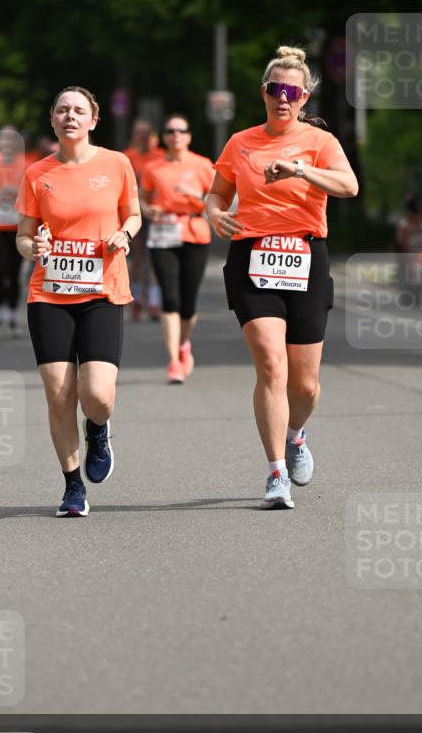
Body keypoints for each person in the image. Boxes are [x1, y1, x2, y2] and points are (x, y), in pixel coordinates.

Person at [206, 45, 358, 509]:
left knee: (305, 385)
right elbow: (216, 195)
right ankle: (275, 475)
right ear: (264, 93)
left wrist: (298, 169)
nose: (283, 97)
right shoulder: (241, 143)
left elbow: (349, 186)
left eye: (292, 90)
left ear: (305, 97)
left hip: (306, 256)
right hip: (253, 258)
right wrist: (214, 215)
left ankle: (296, 437)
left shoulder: (320, 143)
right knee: (271, 365)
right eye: (276, 89)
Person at [16, 86, 142, 517]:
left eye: (79, 110)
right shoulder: (37, 174)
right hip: (48, 294)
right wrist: (34, 248)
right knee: (58, 394)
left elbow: (134, 214)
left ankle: (99, 428)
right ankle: (72, 487)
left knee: (97, 395)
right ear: (52, 119)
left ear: (93, 119)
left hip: (102, 292)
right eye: (63, 110)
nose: (70, 116)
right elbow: (23, 234)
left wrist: (124, 234)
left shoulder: (116, 163)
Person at [140, 114, 214, 382]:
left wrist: (195, 195)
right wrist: (149, 211)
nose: (175, 135)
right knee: (169, 299)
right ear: (164, 136)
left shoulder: (203, 165)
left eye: (181, 130)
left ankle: (184, 343)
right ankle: (173, 361)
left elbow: (221, 202)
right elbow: (142, 200)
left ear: (189, 136)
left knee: (188, 302)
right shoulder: (153, 167)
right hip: (163, 235)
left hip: (195, 233)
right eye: (170, 131)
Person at [0, 126, 26, 338]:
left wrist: (15, 193)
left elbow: (33, 194)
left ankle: (12, 316)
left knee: (15, 273)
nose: (8, 143)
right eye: (4, 139)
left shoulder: (25, 165)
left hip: (18, 226)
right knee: (0, 271)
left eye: (12, 139)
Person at [123, 119, 163, 321]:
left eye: (147, 132)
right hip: (135, 213)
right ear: (134, 135)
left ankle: (154, 301)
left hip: (156, 213)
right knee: (138, 259)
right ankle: (137, 299)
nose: (144, 136)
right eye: (140, 133)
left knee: (154, 259)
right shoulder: (128, 157)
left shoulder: (160, 156)